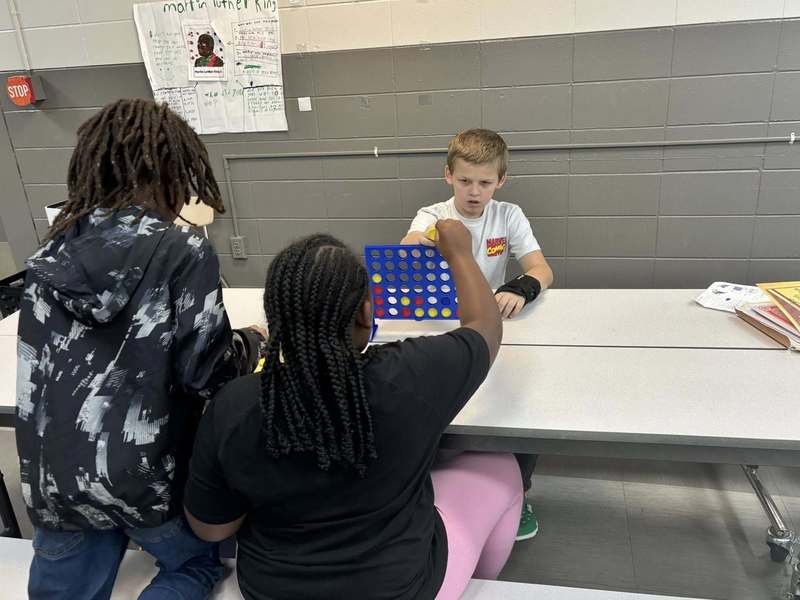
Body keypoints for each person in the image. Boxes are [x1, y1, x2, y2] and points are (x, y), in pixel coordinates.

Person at [184, 222, 523, 600]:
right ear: (365, 312)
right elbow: (485, 326)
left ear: (274, 320)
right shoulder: (413, 374)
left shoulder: (234, 404)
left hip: (270, 590)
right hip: (398, 590)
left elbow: (212, 529)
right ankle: (482, 586)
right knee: (500, 464)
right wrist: (459, 252)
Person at [15, 98, 263, 600]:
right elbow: (207, 375)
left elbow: (35, 371)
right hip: (145, 479)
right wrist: (251, 340)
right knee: (194, 566)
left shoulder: (49, 253)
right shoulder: (182, 250)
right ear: (169, 172)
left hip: (57, 481)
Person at [401, 128, 554, 541]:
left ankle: (518, 494)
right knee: (438, 407)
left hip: (492, 326)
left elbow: (542, 269)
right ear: (448, 175)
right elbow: (410, 241)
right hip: (443, 328)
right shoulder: (433, 213)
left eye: (485, 183)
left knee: (518, 404)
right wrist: (424, 239)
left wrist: (522, 287)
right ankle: (431, 490)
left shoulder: (509, 215)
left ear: (500, 181)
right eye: (465, 180)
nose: (474, 192)